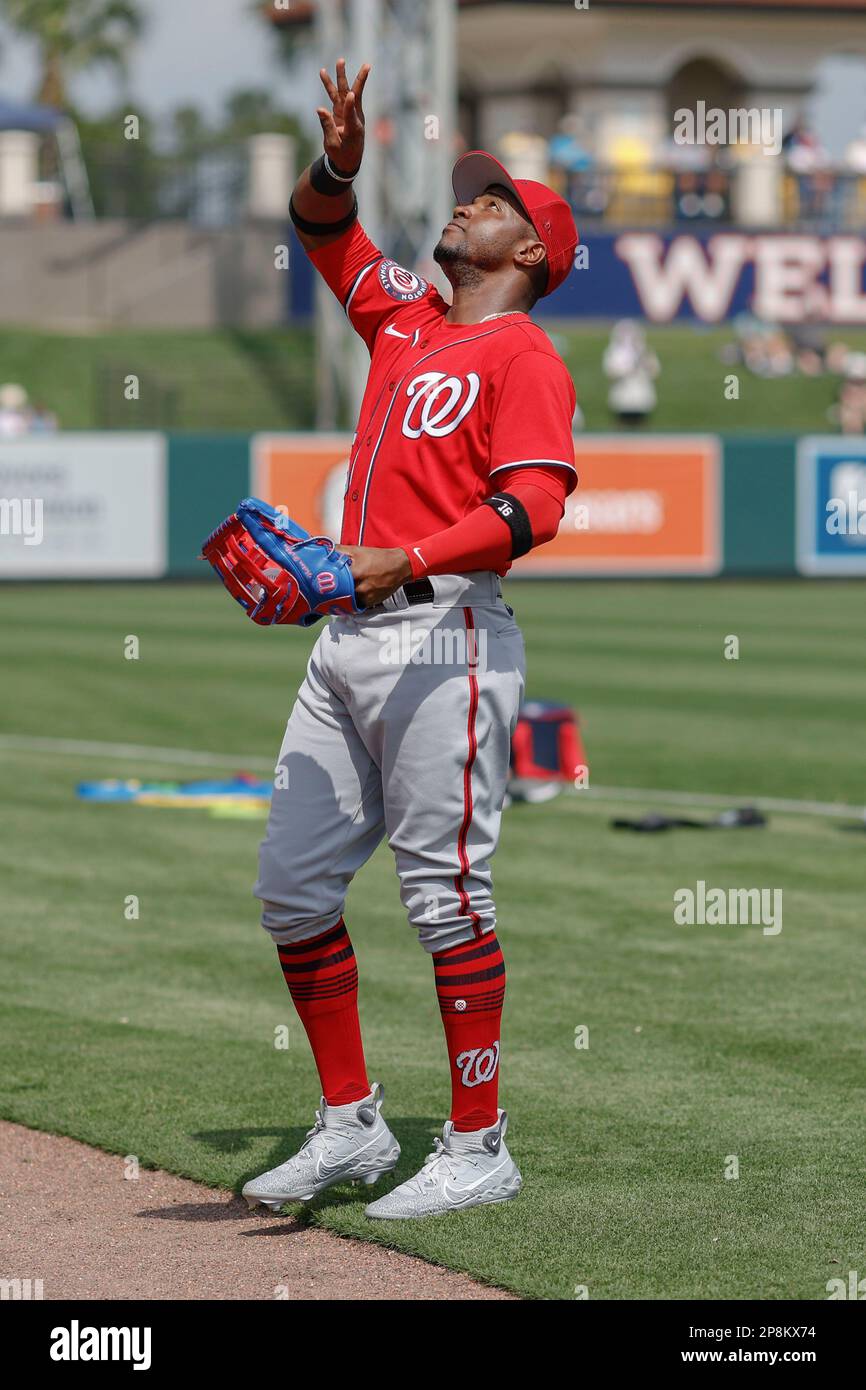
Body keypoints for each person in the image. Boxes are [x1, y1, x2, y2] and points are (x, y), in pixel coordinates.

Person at [241, 59, 579, 1219]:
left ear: (529, 253)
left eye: (492, 203)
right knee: (290, 890)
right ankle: (350, 1124)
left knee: (446, 900)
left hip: (448, 638)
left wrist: (404, 555)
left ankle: (479, 1143)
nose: (465, 201)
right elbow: (319, 227)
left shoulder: (522, 356)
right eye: (468, 191)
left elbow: (531, 506)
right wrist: (338, 160)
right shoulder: (407, 319)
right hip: (344, 640)